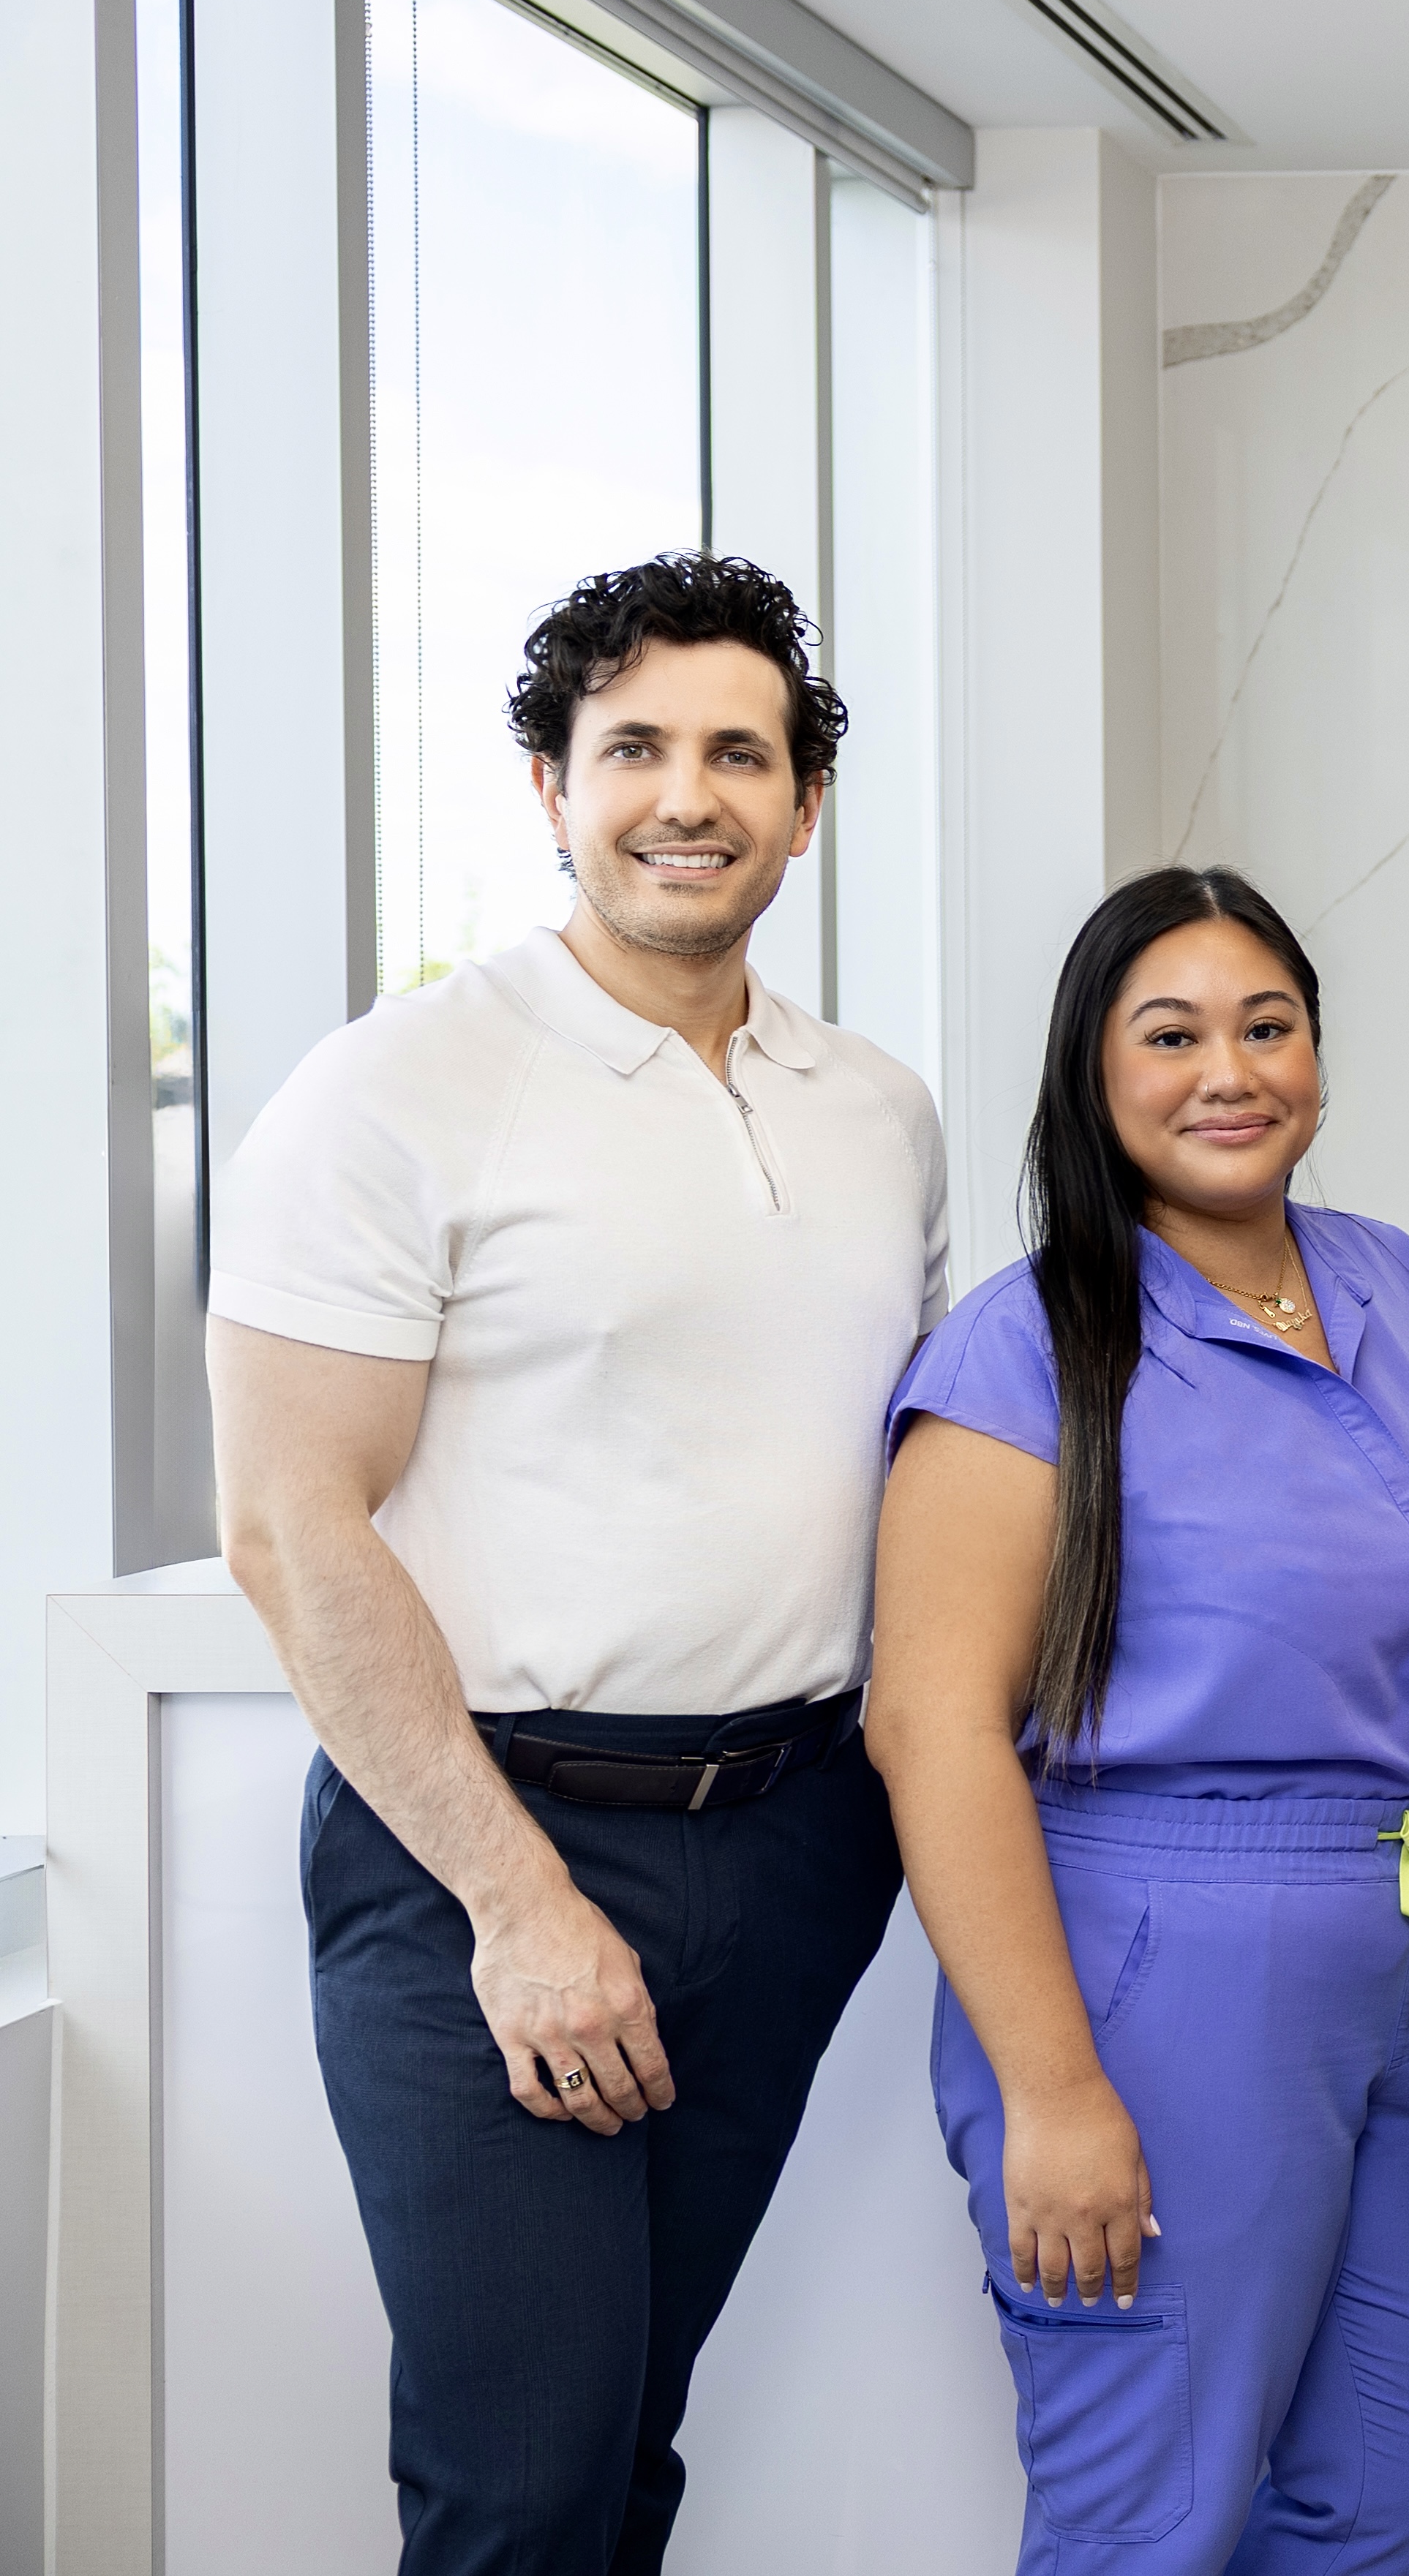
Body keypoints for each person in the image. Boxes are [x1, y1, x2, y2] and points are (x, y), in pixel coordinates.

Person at [208, 554, 942, 2575]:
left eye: (739, 751)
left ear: (804, 808)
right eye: (631, 748)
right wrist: (520, 1908)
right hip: (489, 1847)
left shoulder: (879, 1112)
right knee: (516, 2486)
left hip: (791, 1848)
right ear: (551, 787)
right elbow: (288, 1529)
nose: (683, 794)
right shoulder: (395, 1090)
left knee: (626, 2448)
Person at [868, 867, 1409, 2574]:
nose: (1227, 1069)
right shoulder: (1028, 1349)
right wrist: (1053, 2086)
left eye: (1268, 1025)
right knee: (1144, 2517)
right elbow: (930, 1724)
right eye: (1170, 1034)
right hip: (1158, 1960)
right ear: (1093, 1072)